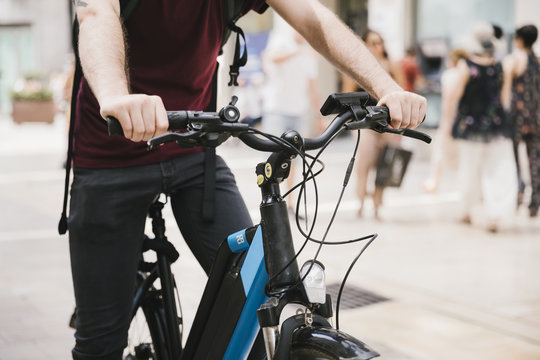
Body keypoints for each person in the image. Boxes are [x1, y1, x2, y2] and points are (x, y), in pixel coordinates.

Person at [69, 0, 427, 358]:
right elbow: (96, 13)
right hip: (109, 157)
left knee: (253, 307)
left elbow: (312, 16)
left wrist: (385, 87)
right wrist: (116, 94)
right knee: (100, 342)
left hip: (195, 154)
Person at [449, 22, 516, 232]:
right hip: (495, 124)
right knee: (496, 169)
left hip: (469, 125)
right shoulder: (500, 66)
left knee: (469, 168)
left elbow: (455, 96)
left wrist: (450, 122)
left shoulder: (465, 66)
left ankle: (466, 211)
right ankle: (494, 215)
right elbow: (505, 97)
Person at [342, 29, 406, 220]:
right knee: (365, 162)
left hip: (388, 123)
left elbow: (403, 91)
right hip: (365, 123)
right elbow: (348, 95)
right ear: (365, 45)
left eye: (380, 42)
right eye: (373, 43)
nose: (378, 47)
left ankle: (377, 204)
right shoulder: (355, 67)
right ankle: (361, 202)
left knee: (384, 163)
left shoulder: (392, 65)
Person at [261, 24, 323, 210]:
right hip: (276, 109)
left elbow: (313, 88)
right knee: (271, 157)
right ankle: (269, 199)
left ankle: (289, 201)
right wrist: (297, 51)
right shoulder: (281, 41)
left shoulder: (309, 55)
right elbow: (271, 58)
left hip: (299, 111)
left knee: (294, 159)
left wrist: (320, 115)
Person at [502, 24, 540, 217]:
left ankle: (518, 193)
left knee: (515, 157)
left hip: (517, 117)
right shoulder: (538, 60)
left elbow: (506, 90)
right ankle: (535, 201)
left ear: (518, 39)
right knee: (535, 159)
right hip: (536, 116)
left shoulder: (514, 60)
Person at [423, 49, 467, 193]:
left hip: (450, 119)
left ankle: (433, 182)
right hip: (464, 119)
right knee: (463, 154)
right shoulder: (466, 74)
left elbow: (448, 99)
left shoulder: (449, 75)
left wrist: (446, 120)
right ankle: (464, 186)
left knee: (439, 151)